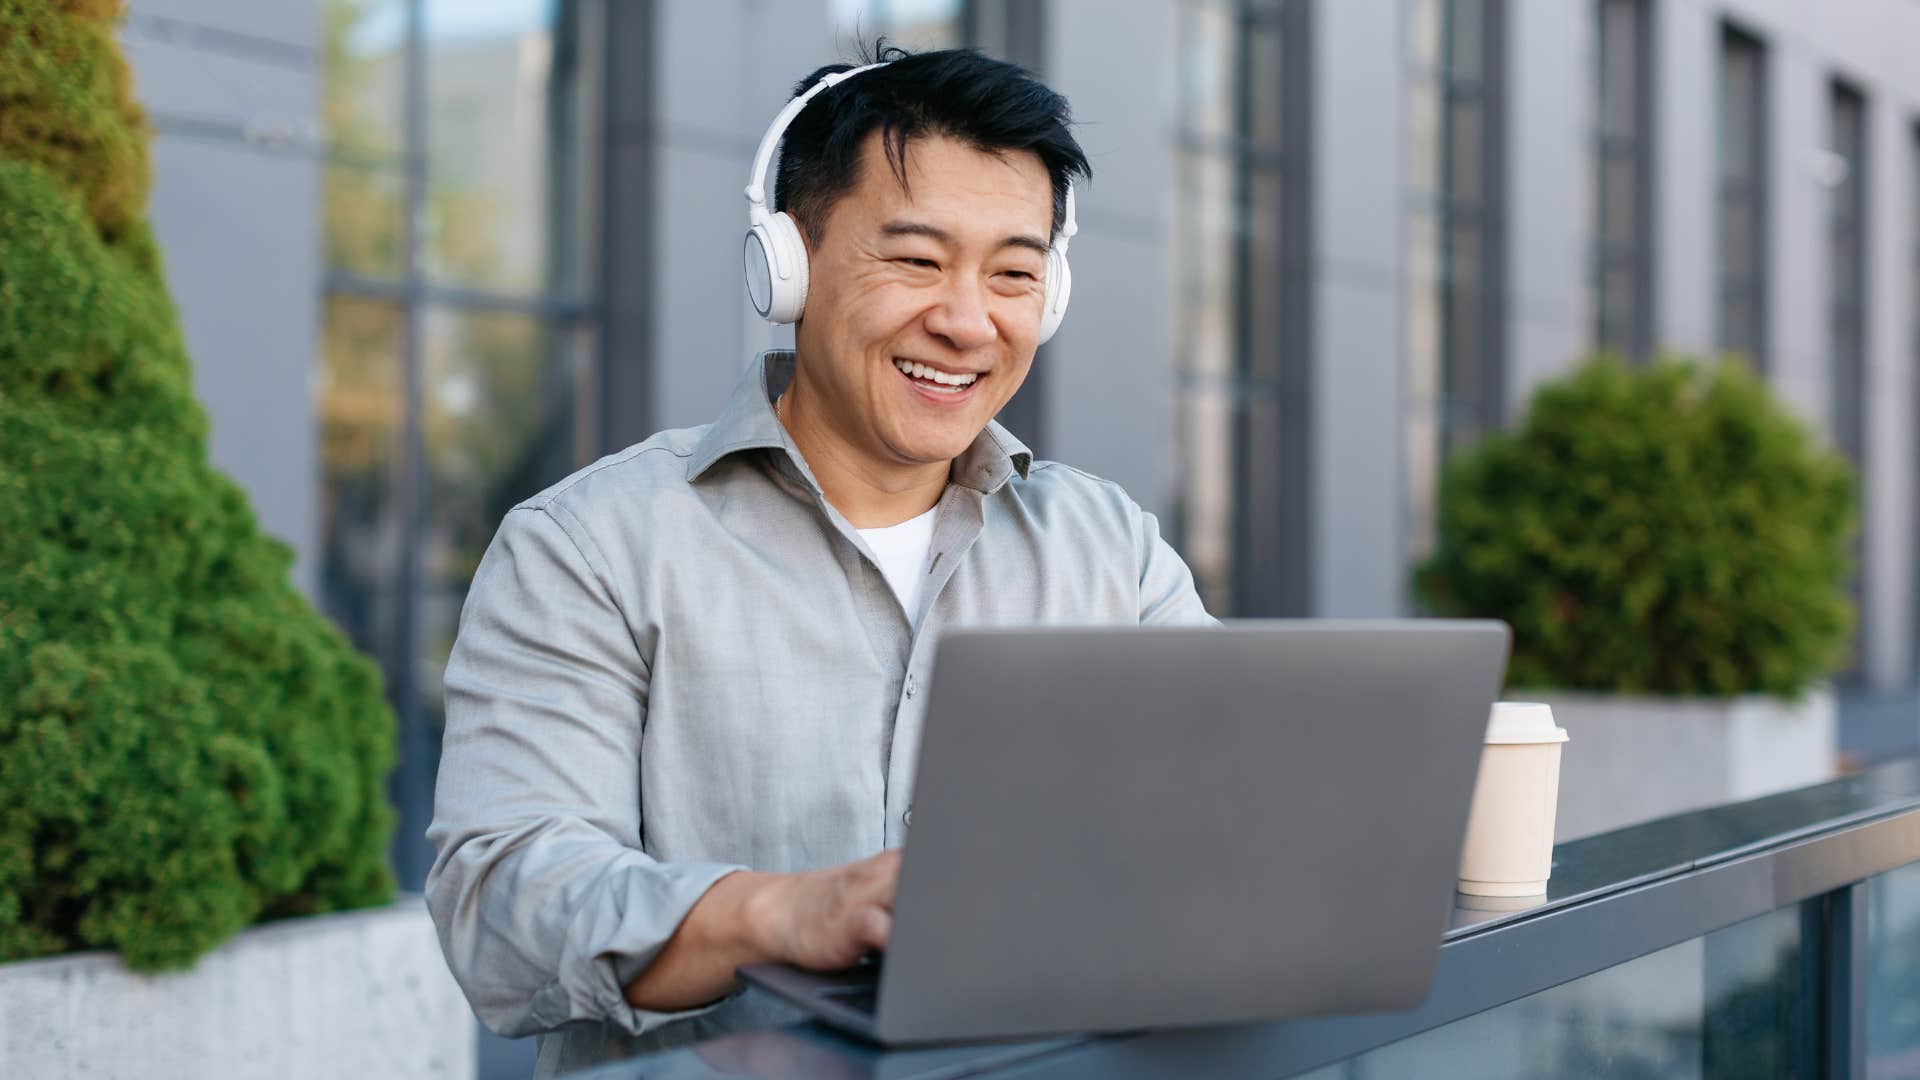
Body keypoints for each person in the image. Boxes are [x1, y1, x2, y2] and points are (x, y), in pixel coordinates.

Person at [424, 41, 1213, 1073]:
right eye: (917, 260)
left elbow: (1216, 823)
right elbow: (502, 901)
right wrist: (779, 914)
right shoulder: (589, 548)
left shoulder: (1111, 550)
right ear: (783, 265)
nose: (968, 320)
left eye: (1014, 274)